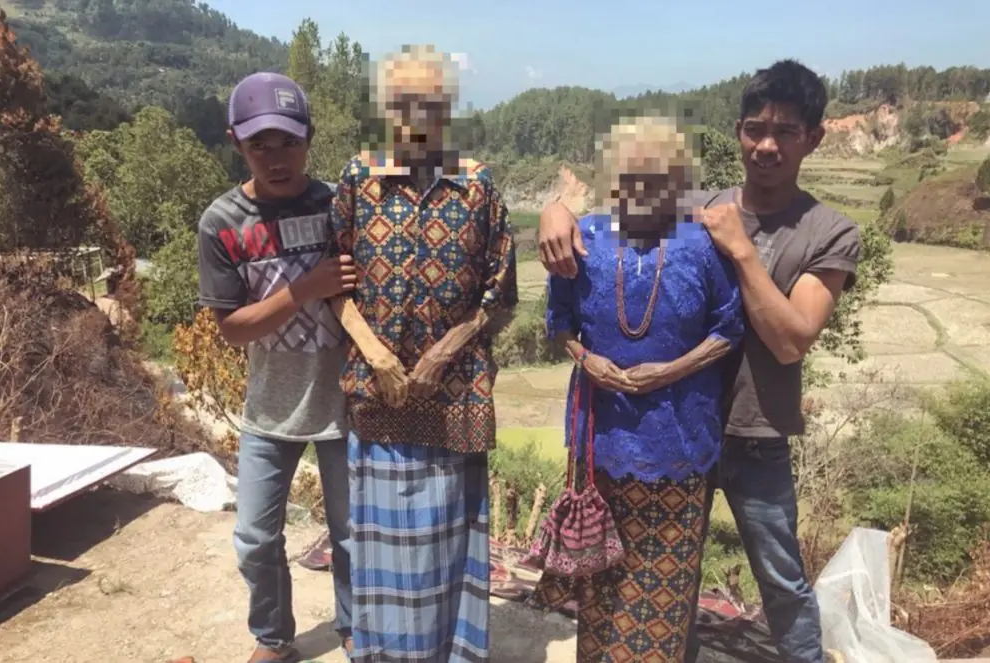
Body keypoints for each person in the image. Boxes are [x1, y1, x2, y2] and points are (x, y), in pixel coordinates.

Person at [535, 60, 862, 663]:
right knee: (669, 580)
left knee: (781, 578)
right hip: (672, 432)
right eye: (755, 129)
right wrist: (555, 209)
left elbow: (791, 340)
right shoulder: (698, 206)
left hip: (755, 431)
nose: (766, 145)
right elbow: (627, 196)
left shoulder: (828, 231)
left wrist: (740, 249)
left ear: (814, 138)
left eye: (785, 132)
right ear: (738, 132)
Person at [531, 114, 745, 662]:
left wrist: (668, 372)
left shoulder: (703, 246)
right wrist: (587, 359)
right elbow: (559, 322)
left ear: (678, 181)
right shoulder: (585, 240)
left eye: (657, 179)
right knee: (600, 590)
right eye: (630, 178)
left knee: (662, 599)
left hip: (678, 447)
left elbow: (728, 328)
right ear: (612, 178)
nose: (642, 191)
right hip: (600, 443)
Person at [328, 45, 517, 662]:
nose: (415, 117)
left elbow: (500, 291)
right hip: (378, 395)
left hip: (454, 397)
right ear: (384, 109)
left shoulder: (476, 185)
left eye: (429, 104)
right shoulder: (358, 180)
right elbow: (330, 282)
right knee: (381, 544)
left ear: (447, 108)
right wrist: (374, 352)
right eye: (402, 103)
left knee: (447, 542)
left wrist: (446, 350)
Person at [196, 72, 357, 663]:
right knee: (255, 537)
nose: (276, 158)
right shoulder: (222, 222)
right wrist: (305, 288)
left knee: (351, 533)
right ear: (235, 142)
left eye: (288, 141)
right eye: (259, 144)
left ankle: (354, 625)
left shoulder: (339, 205)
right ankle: (274, 637)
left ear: (309, 137)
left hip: (345, 403)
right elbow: (232, 329)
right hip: (268, 410)